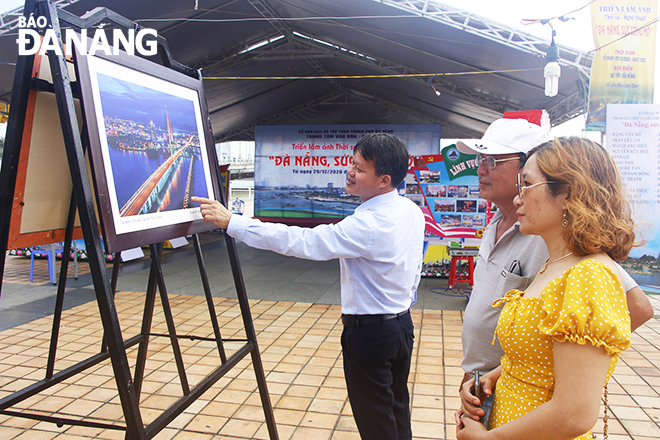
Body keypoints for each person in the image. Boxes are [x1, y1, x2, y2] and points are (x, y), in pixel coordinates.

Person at [192, 133, 424, 440]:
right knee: (396, 410)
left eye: (359, 169)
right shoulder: (410, 210)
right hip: (401, 328)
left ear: (384, 180)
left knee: (376, 423)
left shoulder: (368, 224)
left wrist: (233, 222)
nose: (350, 172)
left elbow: (302, 242)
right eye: (351, 163)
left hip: (370, 335)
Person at [454, 119, 652, 426]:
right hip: (494, 389)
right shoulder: (542, 250)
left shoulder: (582, 267)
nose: (481, 169)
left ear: (567, 192)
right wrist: (503, 373)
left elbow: (574, 413)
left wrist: (544, 375)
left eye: (492, 161)